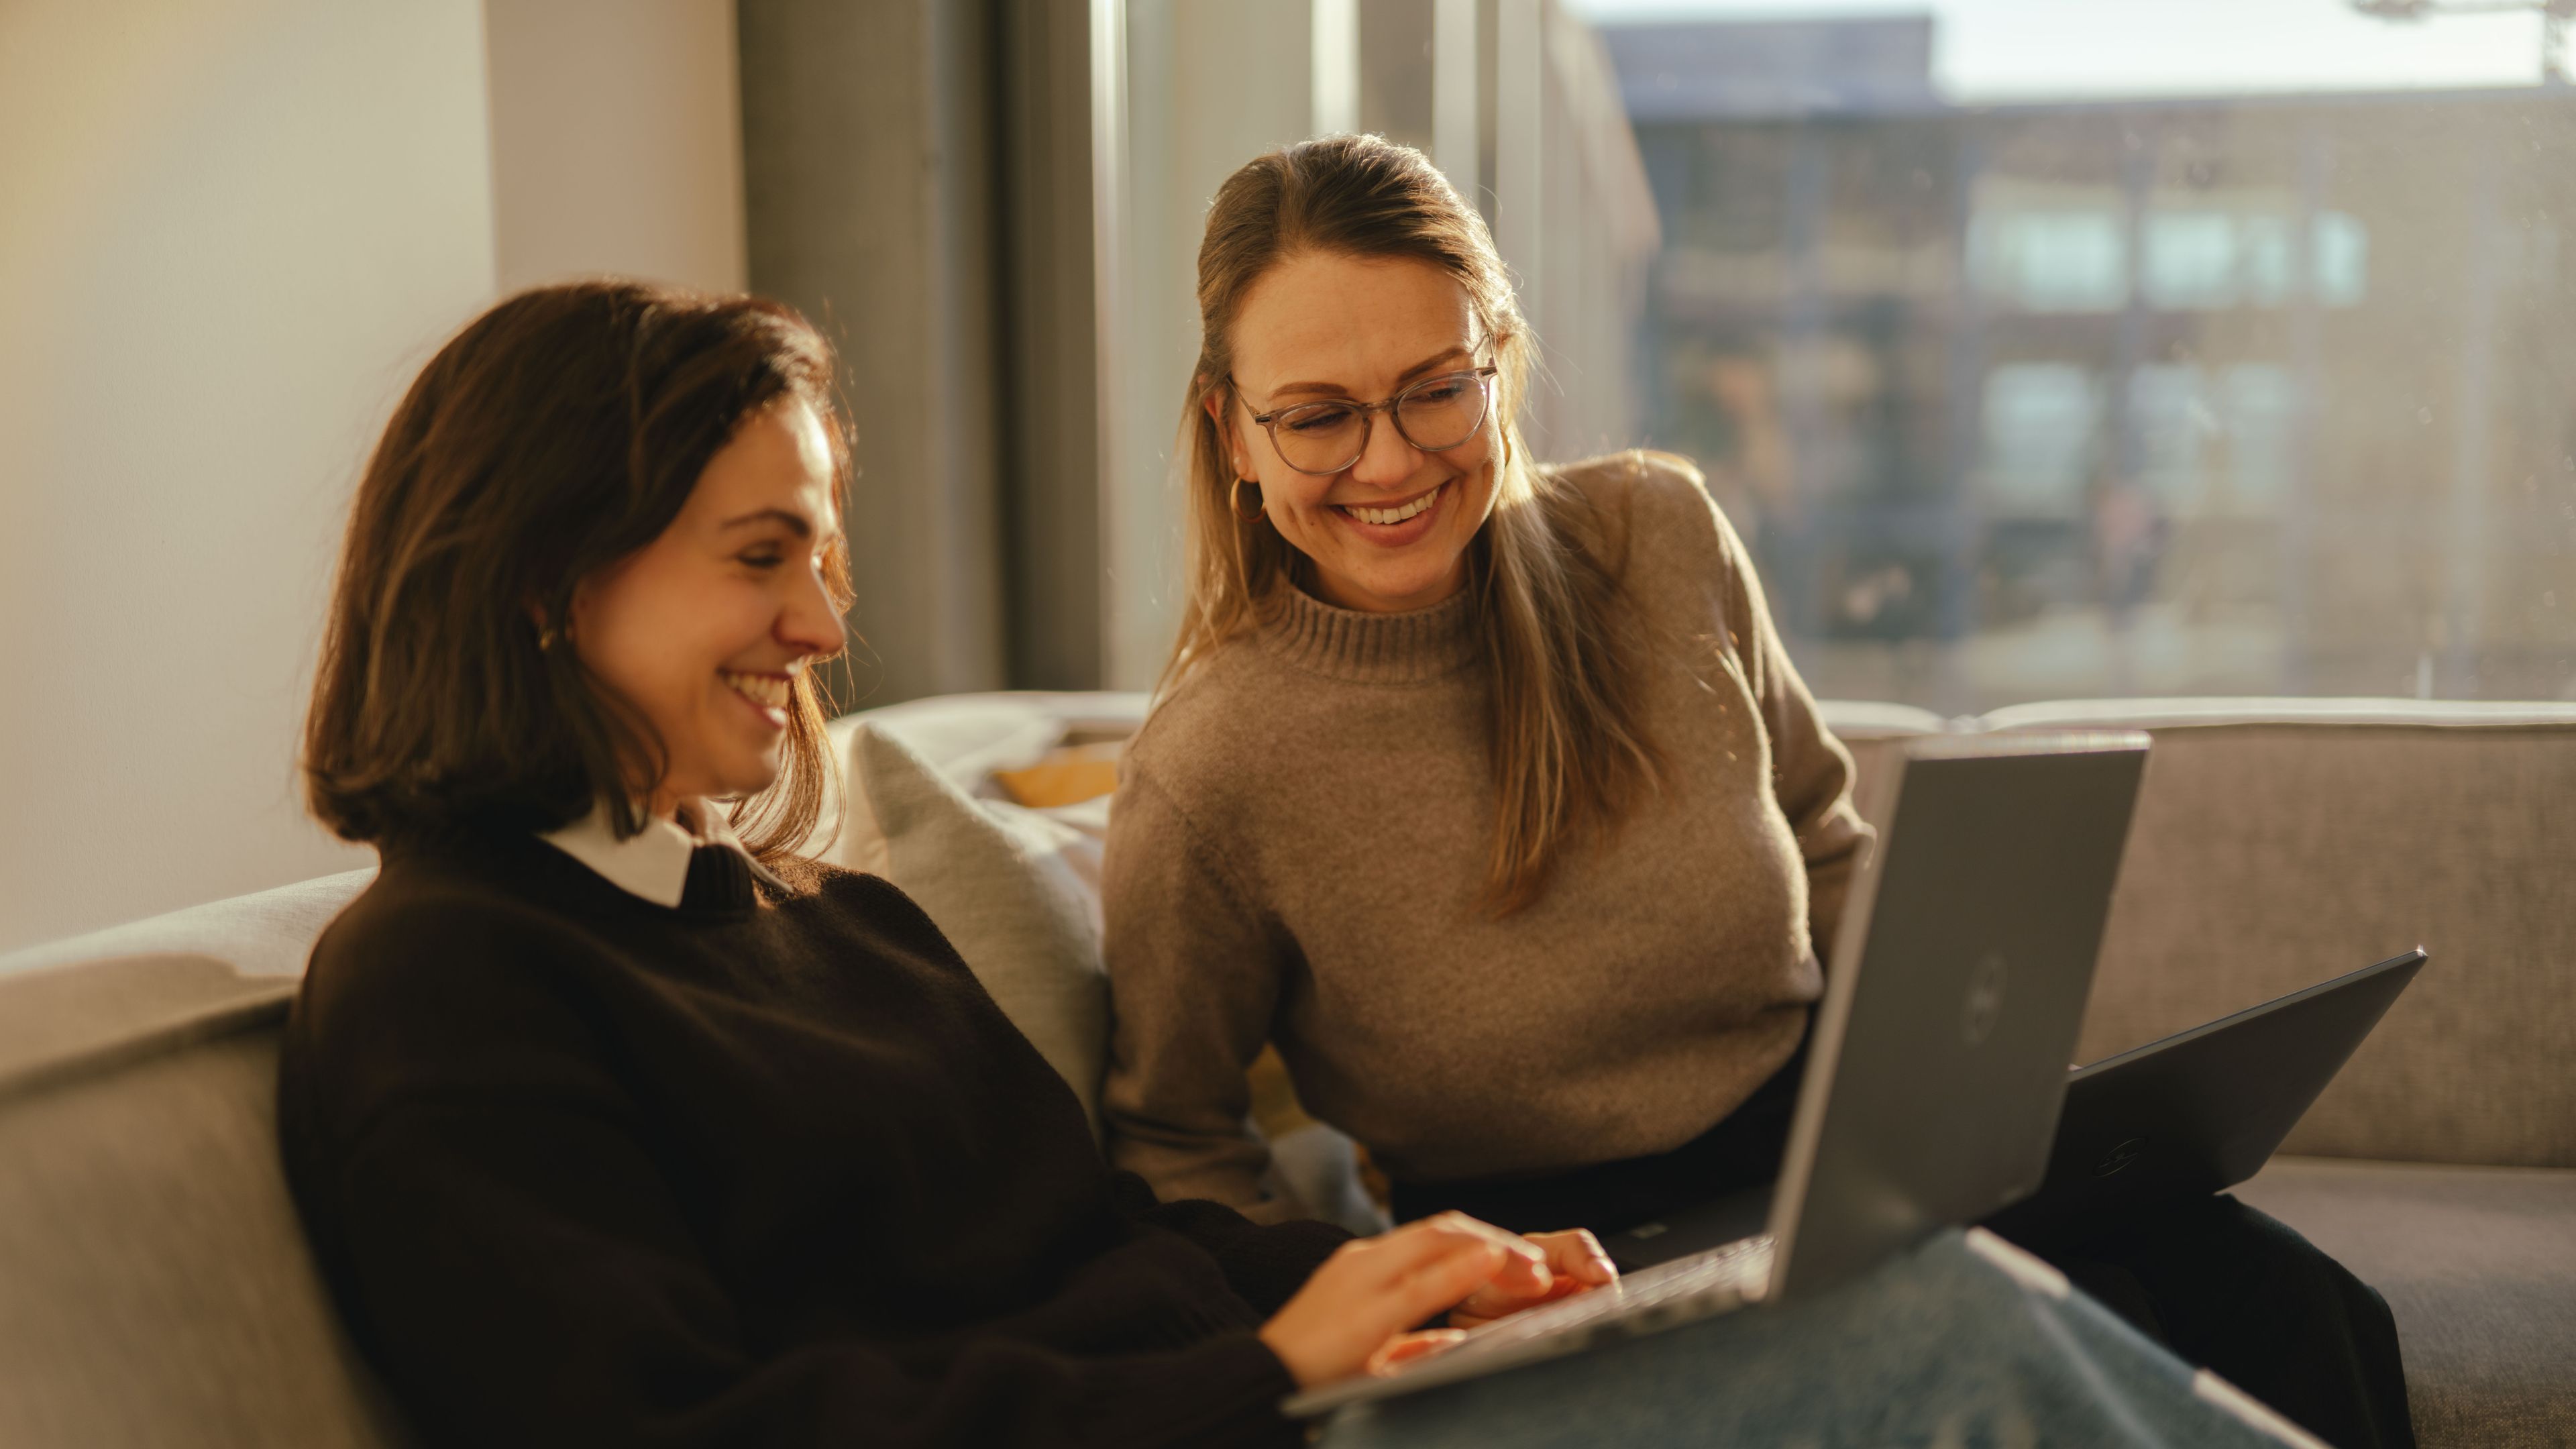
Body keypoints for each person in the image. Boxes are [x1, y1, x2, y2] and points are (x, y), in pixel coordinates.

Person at [277, 280, 2305, 1449]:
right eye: (762, 552)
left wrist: (1430, 1289)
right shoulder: (450, 996)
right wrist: (1262, 1363)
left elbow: (1106, 1255)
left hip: (1276, 1406)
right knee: (1939, 1355)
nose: (827, 623)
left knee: (1975, 1300)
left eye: (821, 546)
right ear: (548, 581)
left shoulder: (829, 926)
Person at [1098, 133, 2414, 1449]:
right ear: (1234, 432)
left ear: (1499, 364)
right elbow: (1175, 1136)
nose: (1387, 464)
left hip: (1842, 1156)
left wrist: (1982, 1115)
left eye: (1437, 390)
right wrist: (1368, 1307)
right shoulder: (1211, 766)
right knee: (2049, 1339)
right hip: (1571, 1263)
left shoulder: (1655, 538)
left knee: (2292, 1307)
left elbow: (1827, 851)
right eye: (1320, 415)